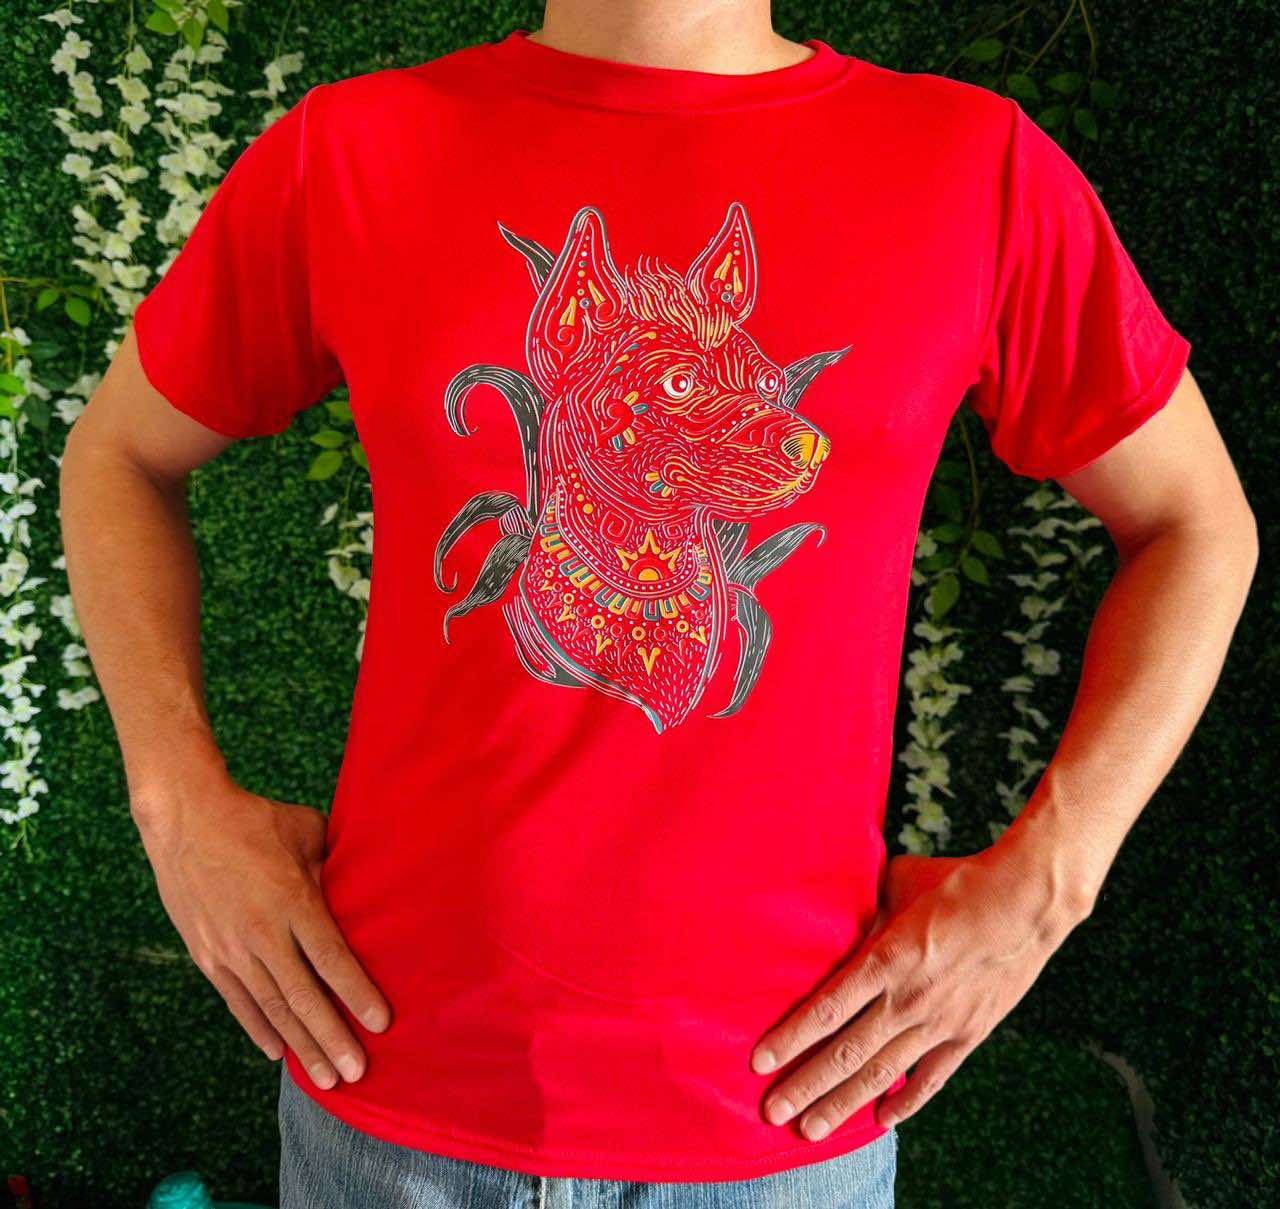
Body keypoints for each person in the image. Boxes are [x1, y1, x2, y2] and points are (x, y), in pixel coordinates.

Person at [59, 1, 1257, 1206]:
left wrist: (1050, 879)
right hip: (392, 1096)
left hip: (785, 1121)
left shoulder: (973, 167)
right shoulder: (356, 150)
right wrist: (176, 807)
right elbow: (118, 457)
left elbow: (1195, 523)